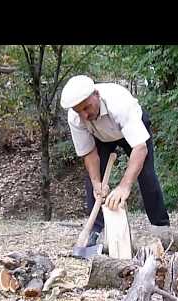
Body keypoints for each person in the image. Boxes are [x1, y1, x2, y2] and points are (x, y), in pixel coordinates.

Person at [60, 75, 170, 246]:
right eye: (78, 111)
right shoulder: (76, 118)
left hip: (132, 133)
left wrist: (124, 186)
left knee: (146, 175)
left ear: (96, 94)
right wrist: (97, 183)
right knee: (93, 183)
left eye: (87, 107)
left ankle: (162, 227)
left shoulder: (120, 103)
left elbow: (140, 148)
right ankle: (96, 233)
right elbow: (89, 153)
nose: (84, 115)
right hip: (101, 137)